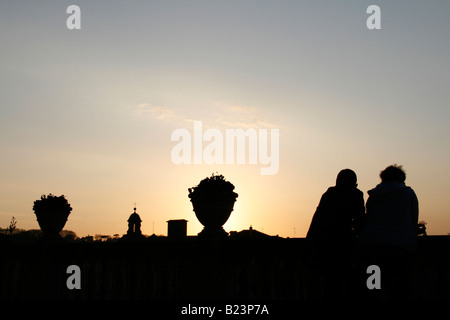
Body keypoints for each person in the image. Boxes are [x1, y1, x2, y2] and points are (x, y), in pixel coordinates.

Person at [358, 164, 419, 299]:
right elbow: (413, 218)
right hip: (398, 247)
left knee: (373, 289)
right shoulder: (408, 193)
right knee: (398, 289)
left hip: (371, 248)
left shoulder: (373, 196)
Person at [306, 169, 365, 298]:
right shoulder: (356, 195)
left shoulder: (329, 194)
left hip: (326, 244)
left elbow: (317, 220)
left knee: (330, 284)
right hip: (344, 244)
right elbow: (360, 220)